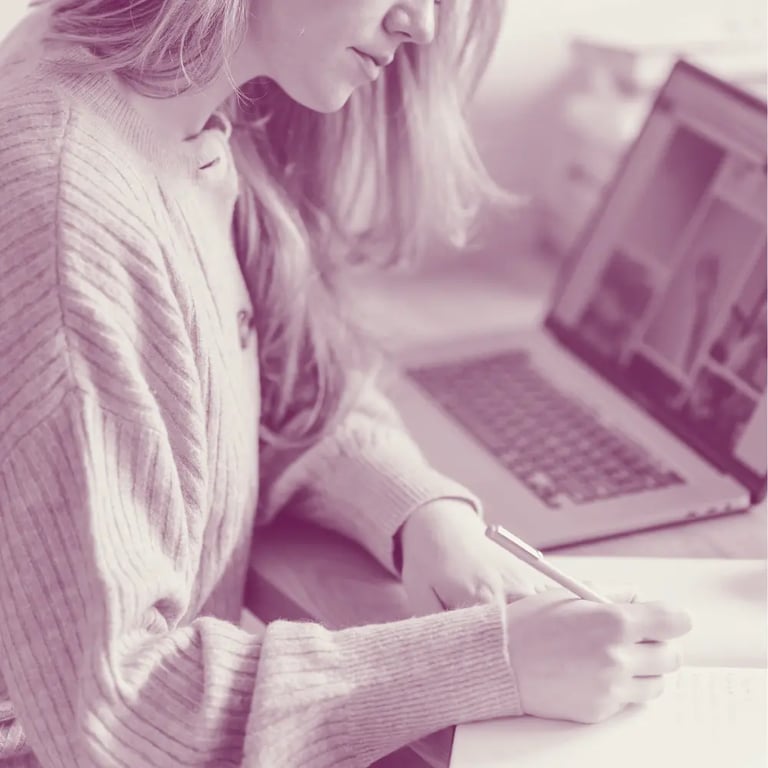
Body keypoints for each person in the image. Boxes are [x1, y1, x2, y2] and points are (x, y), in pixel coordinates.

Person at [0, 2, 691, 766]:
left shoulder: (178, 109)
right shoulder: (68, 211)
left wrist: (419, 514)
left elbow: (279, 384)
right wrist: (489, 664)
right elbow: (112, 714)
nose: (423, 25)